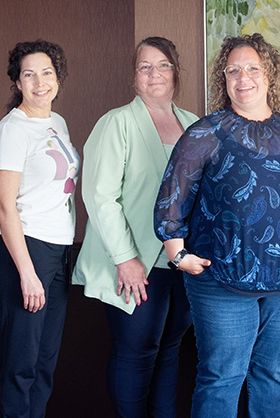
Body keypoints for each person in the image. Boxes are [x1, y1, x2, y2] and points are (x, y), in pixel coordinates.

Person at [154, 33, 280, 418]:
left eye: (253, 68)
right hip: (222, 280)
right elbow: (172, 195)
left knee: (270, 372)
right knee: (222, 376)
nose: (243, 77)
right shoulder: (206, 132)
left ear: (270, 76)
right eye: (233, 70)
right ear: (224, 79)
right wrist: (177, 254)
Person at [73, 37, 199, 417]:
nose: (154, 74)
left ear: (176, 71)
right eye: (145, 66)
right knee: (137, 352)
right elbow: (99, 197)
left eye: (162, 65)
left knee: (170, 349)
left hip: (183, 261)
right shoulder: (117, 123)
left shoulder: (193, 123)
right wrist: (126, 258)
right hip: (136, 262)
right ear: (134, 77)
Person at [0, 40, 79, 418]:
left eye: (47, 73)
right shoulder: (13, 130)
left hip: (57, 250)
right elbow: (3, 205)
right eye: (29, 74)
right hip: (24, 251)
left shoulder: (55, 122)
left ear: (58, 78)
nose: (39, 82)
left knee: (45, 358)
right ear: (17, 82)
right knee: (20, 362)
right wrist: (27, 273)